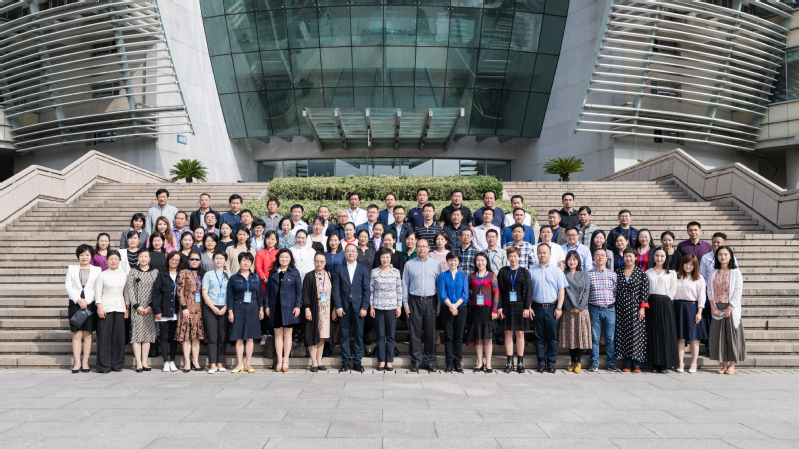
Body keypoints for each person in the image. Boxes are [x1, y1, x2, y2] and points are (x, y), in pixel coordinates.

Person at [402, 238, 441, 372]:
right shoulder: (409, 264)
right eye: (419, 246)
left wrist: (439, 303)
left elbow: (439, 285)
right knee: (415, 333)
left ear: (429, 248)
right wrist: (405, 303)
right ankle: (416, 361)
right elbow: (404, 285)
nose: (422, 249)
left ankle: (430, 361)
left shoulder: (436, 264)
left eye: (424, 246)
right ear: (416, 248)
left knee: (430, 332)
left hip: (431, 301)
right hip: (414, 301)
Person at [706, 246, 746, 374]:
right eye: (720, 254)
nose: (723, 257)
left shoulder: (736, 272)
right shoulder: (713, 272)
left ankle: (732, 365)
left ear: (730, 257)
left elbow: (738, 291)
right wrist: (713, 307)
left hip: (730, 308)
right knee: (720, 336)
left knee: (732, 336)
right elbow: (709, 290)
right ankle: (724, 365)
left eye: (725, 254)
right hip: (717, 307)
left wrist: (729, 308)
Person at [332, 244, 371, 372]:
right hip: (344, 306)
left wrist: (365, 307)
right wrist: (338, 306)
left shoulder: (363, 269)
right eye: (348, 251)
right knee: (344, 335)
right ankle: (345, 362)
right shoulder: (339, 269)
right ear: (345, 253)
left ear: (357, 254)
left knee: (358, 334)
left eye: (353, 251)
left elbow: (366, 290)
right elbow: (336, 290)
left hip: (359, 307)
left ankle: (357, 362)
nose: (350, 253)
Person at [528, 244, 566, 373]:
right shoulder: (531, 271)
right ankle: (541, 363)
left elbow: (561, 290)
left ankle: (551, 363)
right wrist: (529, 307)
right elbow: (528, 291)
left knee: (552, 337)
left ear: (550, 254)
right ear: (537, 254)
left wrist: (559, 308)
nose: (542, 255)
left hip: (552, 308)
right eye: (540, 252)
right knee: (539, 337)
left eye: (545, 252)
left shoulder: (557, 271)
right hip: (537, 307)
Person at [699, 232, 737, 356]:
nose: (716, 244)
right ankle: (711, 348)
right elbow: (703, 277)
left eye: (718, 242)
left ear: (725, 244)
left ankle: (726, 350)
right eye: (714, 242)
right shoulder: (706, 258)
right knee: (711, 322)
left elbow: (735, 276)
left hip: (727, 296)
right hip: (711, 296)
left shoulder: (731, 257)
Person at [66, 244, 101, 373]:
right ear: (78, 256)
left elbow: (97, 287)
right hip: (75, 303)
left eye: (87, 254)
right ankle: (77, 363)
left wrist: (87, 301)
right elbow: (68, 286)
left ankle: (85, 362)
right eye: (82, 254)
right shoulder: (71, 268)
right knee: (77, 334)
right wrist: (78, 300)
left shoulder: (97, 270)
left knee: (88, 334)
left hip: (90, 304)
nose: (84, 257)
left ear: (91, 256)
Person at [265, 249, 302, 373]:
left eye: (287, 257)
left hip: (289, 307)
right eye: (282, 257)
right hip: (275, 307)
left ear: (290, 259)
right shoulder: (273, 272)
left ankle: (286, 360)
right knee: (278, 334)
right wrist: (267, 306)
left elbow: (298, 291)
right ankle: (279, 360)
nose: (284, 259)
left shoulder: (294, 272)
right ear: (278, 258)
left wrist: (298, 306)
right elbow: (268, 292)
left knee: (288, 334)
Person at [498, 247, 534, 373]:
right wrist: (499, 307)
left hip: (520, 306)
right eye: (511, 256)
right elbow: (499, 291)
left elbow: (529, 291)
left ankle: (520, 362)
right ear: (508, 257)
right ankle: (509, 362)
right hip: (506, 306)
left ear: (519, 257)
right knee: (508, 333)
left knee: (520, 334)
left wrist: (527, 307)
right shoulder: (503, 271)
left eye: (515, 256)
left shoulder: (524, 272)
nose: (513, 258)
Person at [227, 252, 264, 373]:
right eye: (244, 260)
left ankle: (248, 364)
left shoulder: (255, 277)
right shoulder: (233, 278)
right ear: (239, 262)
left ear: (251, 263)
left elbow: (260, 294)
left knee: (250, 338)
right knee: (239, 338)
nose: (246, 263)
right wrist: (230, 312)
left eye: (248, 261)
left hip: (253, 307)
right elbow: (229, 296)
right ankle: (239, 364)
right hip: (238, 307)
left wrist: (261, 309)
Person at [614, 247, 649, 373]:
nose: (628, 258)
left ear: (635, 257)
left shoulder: (641, 273)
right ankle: (627, 363)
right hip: (621, 307)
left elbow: (644, 291)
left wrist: (642, 308)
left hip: (635, 307)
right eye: (626, 256)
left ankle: (637, 364)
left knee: (637, 335)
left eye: (630, 256)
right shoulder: (618, 272)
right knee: (623, 334)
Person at [646, 247, 679, 373]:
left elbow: (673, 291)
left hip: (665, 303)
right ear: (653, 257)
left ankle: (664, 364)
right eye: (657, 255)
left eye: (662, 256)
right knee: (653, 332)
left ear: (666, 257)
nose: (659, 258)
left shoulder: (671, 273)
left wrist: (666, 301)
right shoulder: (648, 272)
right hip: (651, 302)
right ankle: (654, 363)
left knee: (665, 333)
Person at [370, 248, 403, 371]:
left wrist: (399, 306)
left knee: (390, 335)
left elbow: (399, 290)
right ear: (379, 258)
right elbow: (371, 290)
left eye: (387, 257)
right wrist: (371, 307)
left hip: (392, 307)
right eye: (383, 257)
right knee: (380, 335)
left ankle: (389, 361)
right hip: (378, 307)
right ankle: (381, 361)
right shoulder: (374, 272)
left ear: (391, 258)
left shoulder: (396, 272)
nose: (385, 259)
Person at [586, 249, 620, 373]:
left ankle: (612, 363)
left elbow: (615, 291)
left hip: (610, 310)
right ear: (594, 258)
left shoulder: (613, 274)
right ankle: (594, 363)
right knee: (594, 338)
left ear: (606, 258)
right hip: (594, 309)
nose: (600, 257)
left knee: (610, 338)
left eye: (602, 255)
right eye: (598, 255)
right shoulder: (588, 274)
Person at [94, 250, 127, 373]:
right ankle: (104, 365)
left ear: (119, 261)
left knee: (119, 338)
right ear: (107, 260)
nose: (114, 261)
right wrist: (99, 307)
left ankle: (117, 364)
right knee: (104, 337)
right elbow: (98, 293)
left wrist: (127, 308)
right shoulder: (102, 275)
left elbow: (127, 293)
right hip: (105, 308)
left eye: (116, 259)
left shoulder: (124, 275)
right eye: (111, 259)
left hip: (120, 308)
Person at [124, 250, 158, 372]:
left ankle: (144, 361)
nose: (143, 258)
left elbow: (156, 290)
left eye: (145, 256)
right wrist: (136, 305)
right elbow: (130, 290)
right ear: (137, 258)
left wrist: (151, 306)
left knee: (147, 335)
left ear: (149, 258)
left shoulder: (155, 272)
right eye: (141, 256)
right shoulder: (133, 271)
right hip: (136, 308)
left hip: (150, 308)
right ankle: (138, 362)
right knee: (136, 335)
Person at [674, 254, 707, 374]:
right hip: (678, 307)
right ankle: (680, 362)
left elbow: (702, 296)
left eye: (691, 264)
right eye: (686, 263)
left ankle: (694, 363)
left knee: (693, 338)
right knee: (680, 338)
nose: (688, 266)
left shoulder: (699, 278)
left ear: (695, 266)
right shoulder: (676, 275)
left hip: (692, 307)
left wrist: (699, 312)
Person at [467, 253, 498, 373]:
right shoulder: (471, 276)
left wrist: (494, 310)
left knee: (488, 337)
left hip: (488, 309)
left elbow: (496, 293)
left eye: (482, 260)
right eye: (478, 260)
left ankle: (488, 364)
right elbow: (468, 292)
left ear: (486, 262)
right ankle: (480, 363)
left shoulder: (492, 275)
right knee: (478, 337)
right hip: (475, 309)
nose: (480, 263)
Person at [175, 250, 206, 373]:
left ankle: (195, 361)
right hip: (186, 309)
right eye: (192, 259)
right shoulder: (183, 272)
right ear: (188, 260)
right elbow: (179, 291)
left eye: (197, 259)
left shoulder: (203, 273)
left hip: (199, 309)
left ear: (200, 261)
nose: (194, 261)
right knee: (187, 336)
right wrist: (184, 307)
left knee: (196, 337)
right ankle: (187, 361)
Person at [560, 250, 591, 373]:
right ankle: (572, 361)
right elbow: (562, 292)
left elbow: (586, 292)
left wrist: (580, 307)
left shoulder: (584, 274)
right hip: (569, 310)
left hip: (581, 310)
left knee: (580, 336)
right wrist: (569, 307)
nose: (572, 262)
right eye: (569, 259)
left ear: (578, 261)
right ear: (566, 261)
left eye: (574, 259)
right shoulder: (563, 274)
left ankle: (578, 362)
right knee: (571, 336)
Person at [438, 251, 468, 373]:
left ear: (459, 261)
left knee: (459, 336)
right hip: (446, 308)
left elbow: (465, 294)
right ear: (447, 261)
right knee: (448, 336)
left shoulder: (464, 276)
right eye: (450, 260)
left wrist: (455, 306)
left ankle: (458, 363)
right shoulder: (443, 275)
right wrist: (451, 306)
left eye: (455, 260)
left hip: (461, 308)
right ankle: (449, 363)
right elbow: (442, 293)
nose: (452, 262)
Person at [152, 251, 182, 372]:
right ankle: (165, 362)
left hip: (177, 310)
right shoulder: (162, 274)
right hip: (163, 310)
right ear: (168, 260)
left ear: (179, 262)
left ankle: (172, 361)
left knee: (174, 337)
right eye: (171, 259)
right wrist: (157, 310)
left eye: (176, 260)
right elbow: (156, 293)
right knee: (164, 336)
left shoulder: (181, 275)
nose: (174, 262)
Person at [202, 251, 231, 373]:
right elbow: (205, 293)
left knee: (222, 337)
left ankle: (220, 363)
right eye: (217, 258)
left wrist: (225, 307)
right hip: (210, 308)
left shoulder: (229, 275)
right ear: (213, 260)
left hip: (225, 308)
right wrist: (213, 308)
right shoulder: (208, 274)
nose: (219, 260)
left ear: (225, 261)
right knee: (212, 337)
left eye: (221, 258)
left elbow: (232, 294)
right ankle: (213, 365)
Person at [303, 252, 332, 372]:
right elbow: (305, 293)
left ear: (325, 262)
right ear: (313, 262)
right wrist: (307, 308)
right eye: (316, 261)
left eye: (322, 261)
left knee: (322, 336)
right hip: (314, 309)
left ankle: (319, 361)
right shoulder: (309, 276)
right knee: (312, 335)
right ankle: (313, 362)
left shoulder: (329, 275)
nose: (319, 263)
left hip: (326, 310)